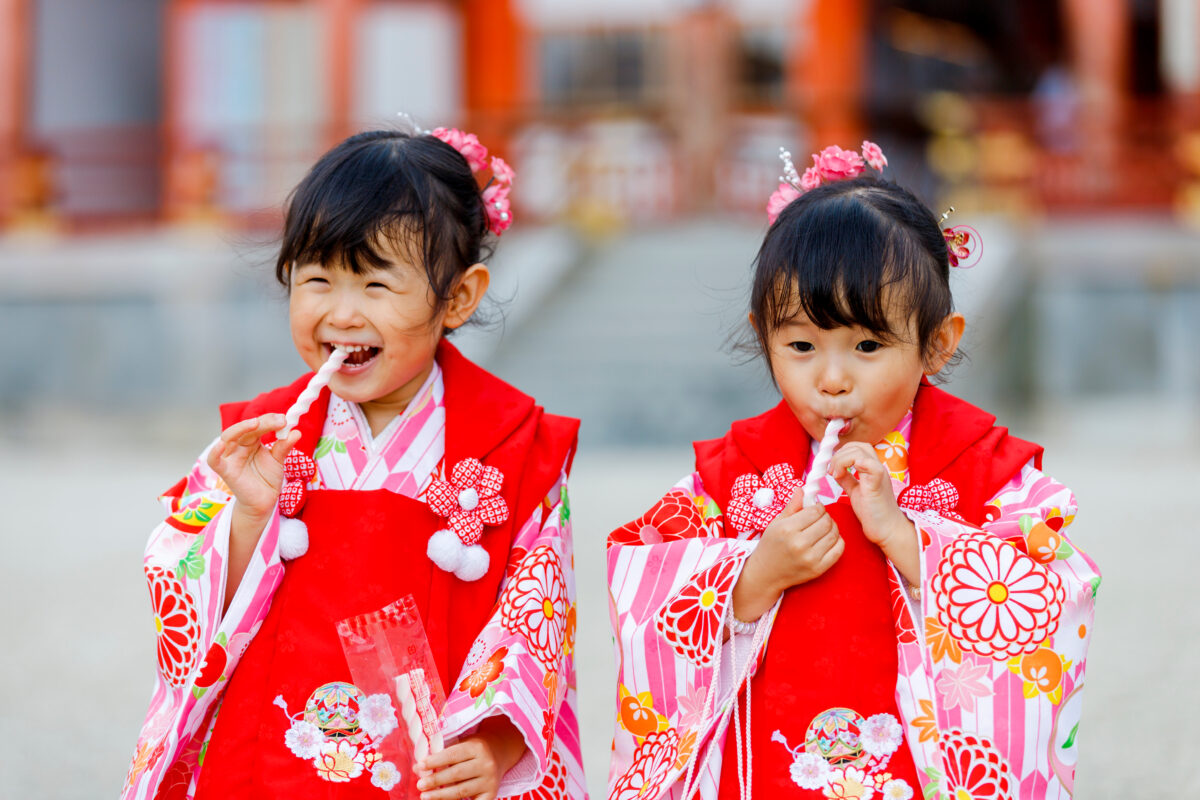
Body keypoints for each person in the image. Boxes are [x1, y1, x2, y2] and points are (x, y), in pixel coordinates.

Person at [606, 143, 1100, 800]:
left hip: (917, 775)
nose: (832, 380)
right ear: (764, 336)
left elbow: (1054, 591)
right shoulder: (737, 468)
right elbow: (644, 580)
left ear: (936, 342)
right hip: (769, 768)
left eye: (867, 346)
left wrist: (908, 537)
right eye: (801, 346)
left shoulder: (981, 465)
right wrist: (752, 577)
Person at [123, 126, 584, 800]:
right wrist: (250, 516)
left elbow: (537, 618)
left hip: (435, 764)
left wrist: (494, 743)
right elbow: (179, 590)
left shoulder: (515, 446)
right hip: (267, 757)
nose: (341, 314)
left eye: (375, 284)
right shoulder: (261, 440)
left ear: (458, 296)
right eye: (317, 280)